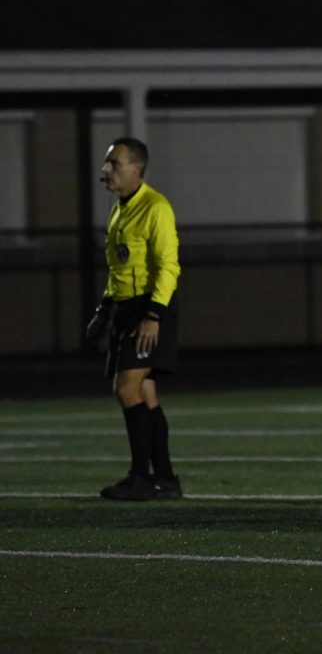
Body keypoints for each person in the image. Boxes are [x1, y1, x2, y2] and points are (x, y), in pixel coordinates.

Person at [85, 137, 182, 501]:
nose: (106, 170)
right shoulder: (120, 208)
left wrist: (153, 315)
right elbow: (120, 269)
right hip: (128, 308)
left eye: (114, 164)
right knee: (144, 392)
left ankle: (141, 476)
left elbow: (168, 266)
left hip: (150, 307)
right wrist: (104, 310)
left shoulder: (155, 207)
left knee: (126, 388)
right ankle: (167, 479)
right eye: (107, 163)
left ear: (136, 169)